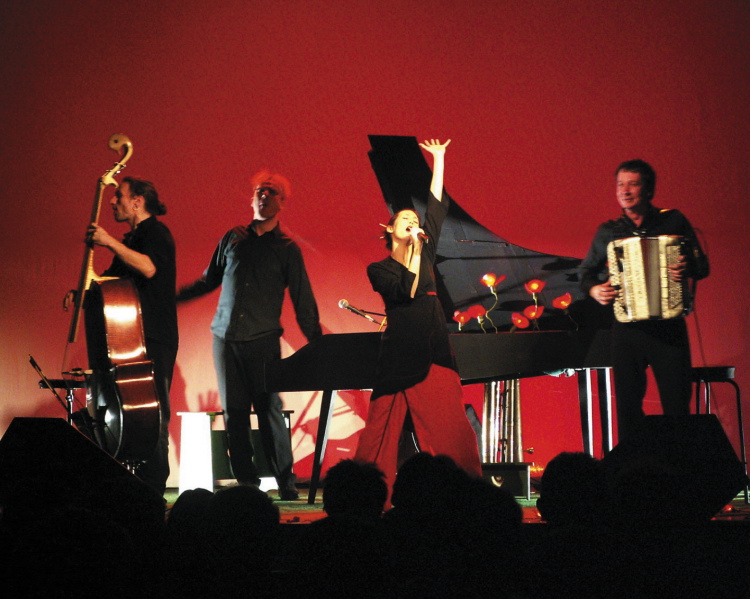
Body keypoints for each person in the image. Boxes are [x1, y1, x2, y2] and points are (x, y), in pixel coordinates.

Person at [177, 170, 321, 500]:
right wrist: (173, 298)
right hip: (225, 340)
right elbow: (208, 280)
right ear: (252, 197)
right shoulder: (233, 238)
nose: (263, 195)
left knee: (268, 411)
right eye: (259, 190)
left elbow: (303, 300)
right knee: (235, 415)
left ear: (283, 202)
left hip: (263, 342)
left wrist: (317, 344)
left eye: (271, 192)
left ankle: (286, 484)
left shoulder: (287, 249)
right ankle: (246, 485)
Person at [354, 139, 483, 500]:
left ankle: (467, 493)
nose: (413, 223)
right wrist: (414, 249)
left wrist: (438, 159)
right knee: (377, 431)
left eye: (415, 220)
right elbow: (406, 292)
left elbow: (438, 205)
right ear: (389, 231)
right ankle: (364, 495)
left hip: (432, 347)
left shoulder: (424, 250)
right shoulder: (378, 269)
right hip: (397, 354)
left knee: (451, 427)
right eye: (404, 221)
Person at [579, 159, 709, 442]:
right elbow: (585, 273)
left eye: (633, 184)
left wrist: (686, 267)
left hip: (668, 328)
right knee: (627, 408)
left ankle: (678, 474)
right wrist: (594, 290)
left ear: (648, 190)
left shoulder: (673, 221)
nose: (624, 191)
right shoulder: (609, 232)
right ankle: (631, 475)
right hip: (627, 331)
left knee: (676, 406)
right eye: (620, 184)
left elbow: (702, 267)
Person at [79, 176, 178, 496]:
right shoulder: (133, 238)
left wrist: (108, 241)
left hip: (154, 336)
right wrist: (81, 290)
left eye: (118, 195)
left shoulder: (157, 233)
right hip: (130, 337)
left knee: (154, 413)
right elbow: (110, 280)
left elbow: (148, 269)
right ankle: (130, 480)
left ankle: (153, 487)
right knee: (131, 412)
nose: (112, 201)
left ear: (138, 201)